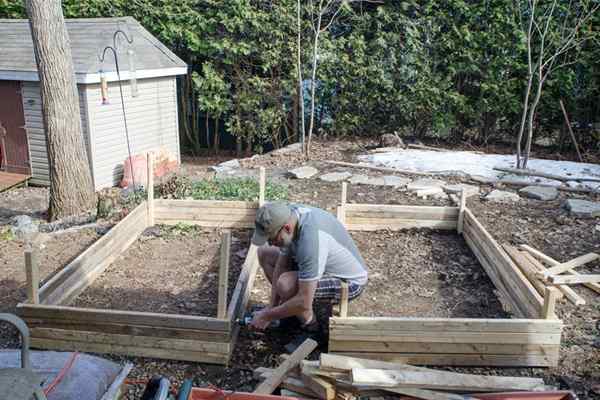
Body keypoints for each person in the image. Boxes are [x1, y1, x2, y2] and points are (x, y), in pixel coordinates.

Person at [249, 202, 368, 340]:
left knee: (286, 285)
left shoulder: (311, 240)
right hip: (319, 265)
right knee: (265, 252)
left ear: (287, 228)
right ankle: (291, 313)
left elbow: (304, 301)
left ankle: (313, 330)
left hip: (348, 281)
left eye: (272, 239)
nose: (270, 242)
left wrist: (266, 316)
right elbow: (281, 266)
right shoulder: (290, 216)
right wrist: (271, 307)